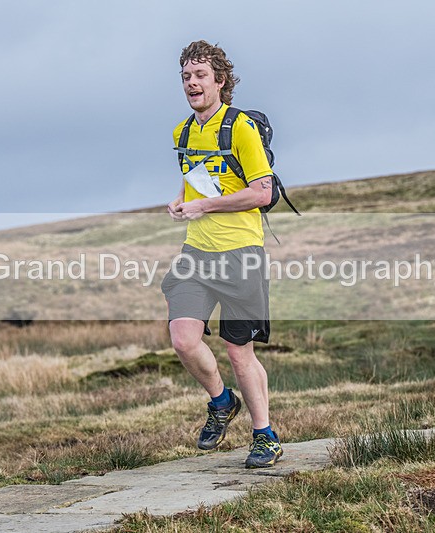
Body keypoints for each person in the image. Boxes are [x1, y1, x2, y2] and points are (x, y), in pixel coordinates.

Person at [160, 40, 282, 468]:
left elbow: (262, 191)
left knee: (238, 351)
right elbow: (194, 178)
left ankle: (265, 436)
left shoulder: (240, 128)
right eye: (185, 77)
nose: (191, 83)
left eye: (200, 76)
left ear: (220, 81)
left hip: (240, 253)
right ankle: (221, 401)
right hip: (196, 253)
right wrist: (180, 200)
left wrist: (206, 206)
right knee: (183, 339)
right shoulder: (182, 132)